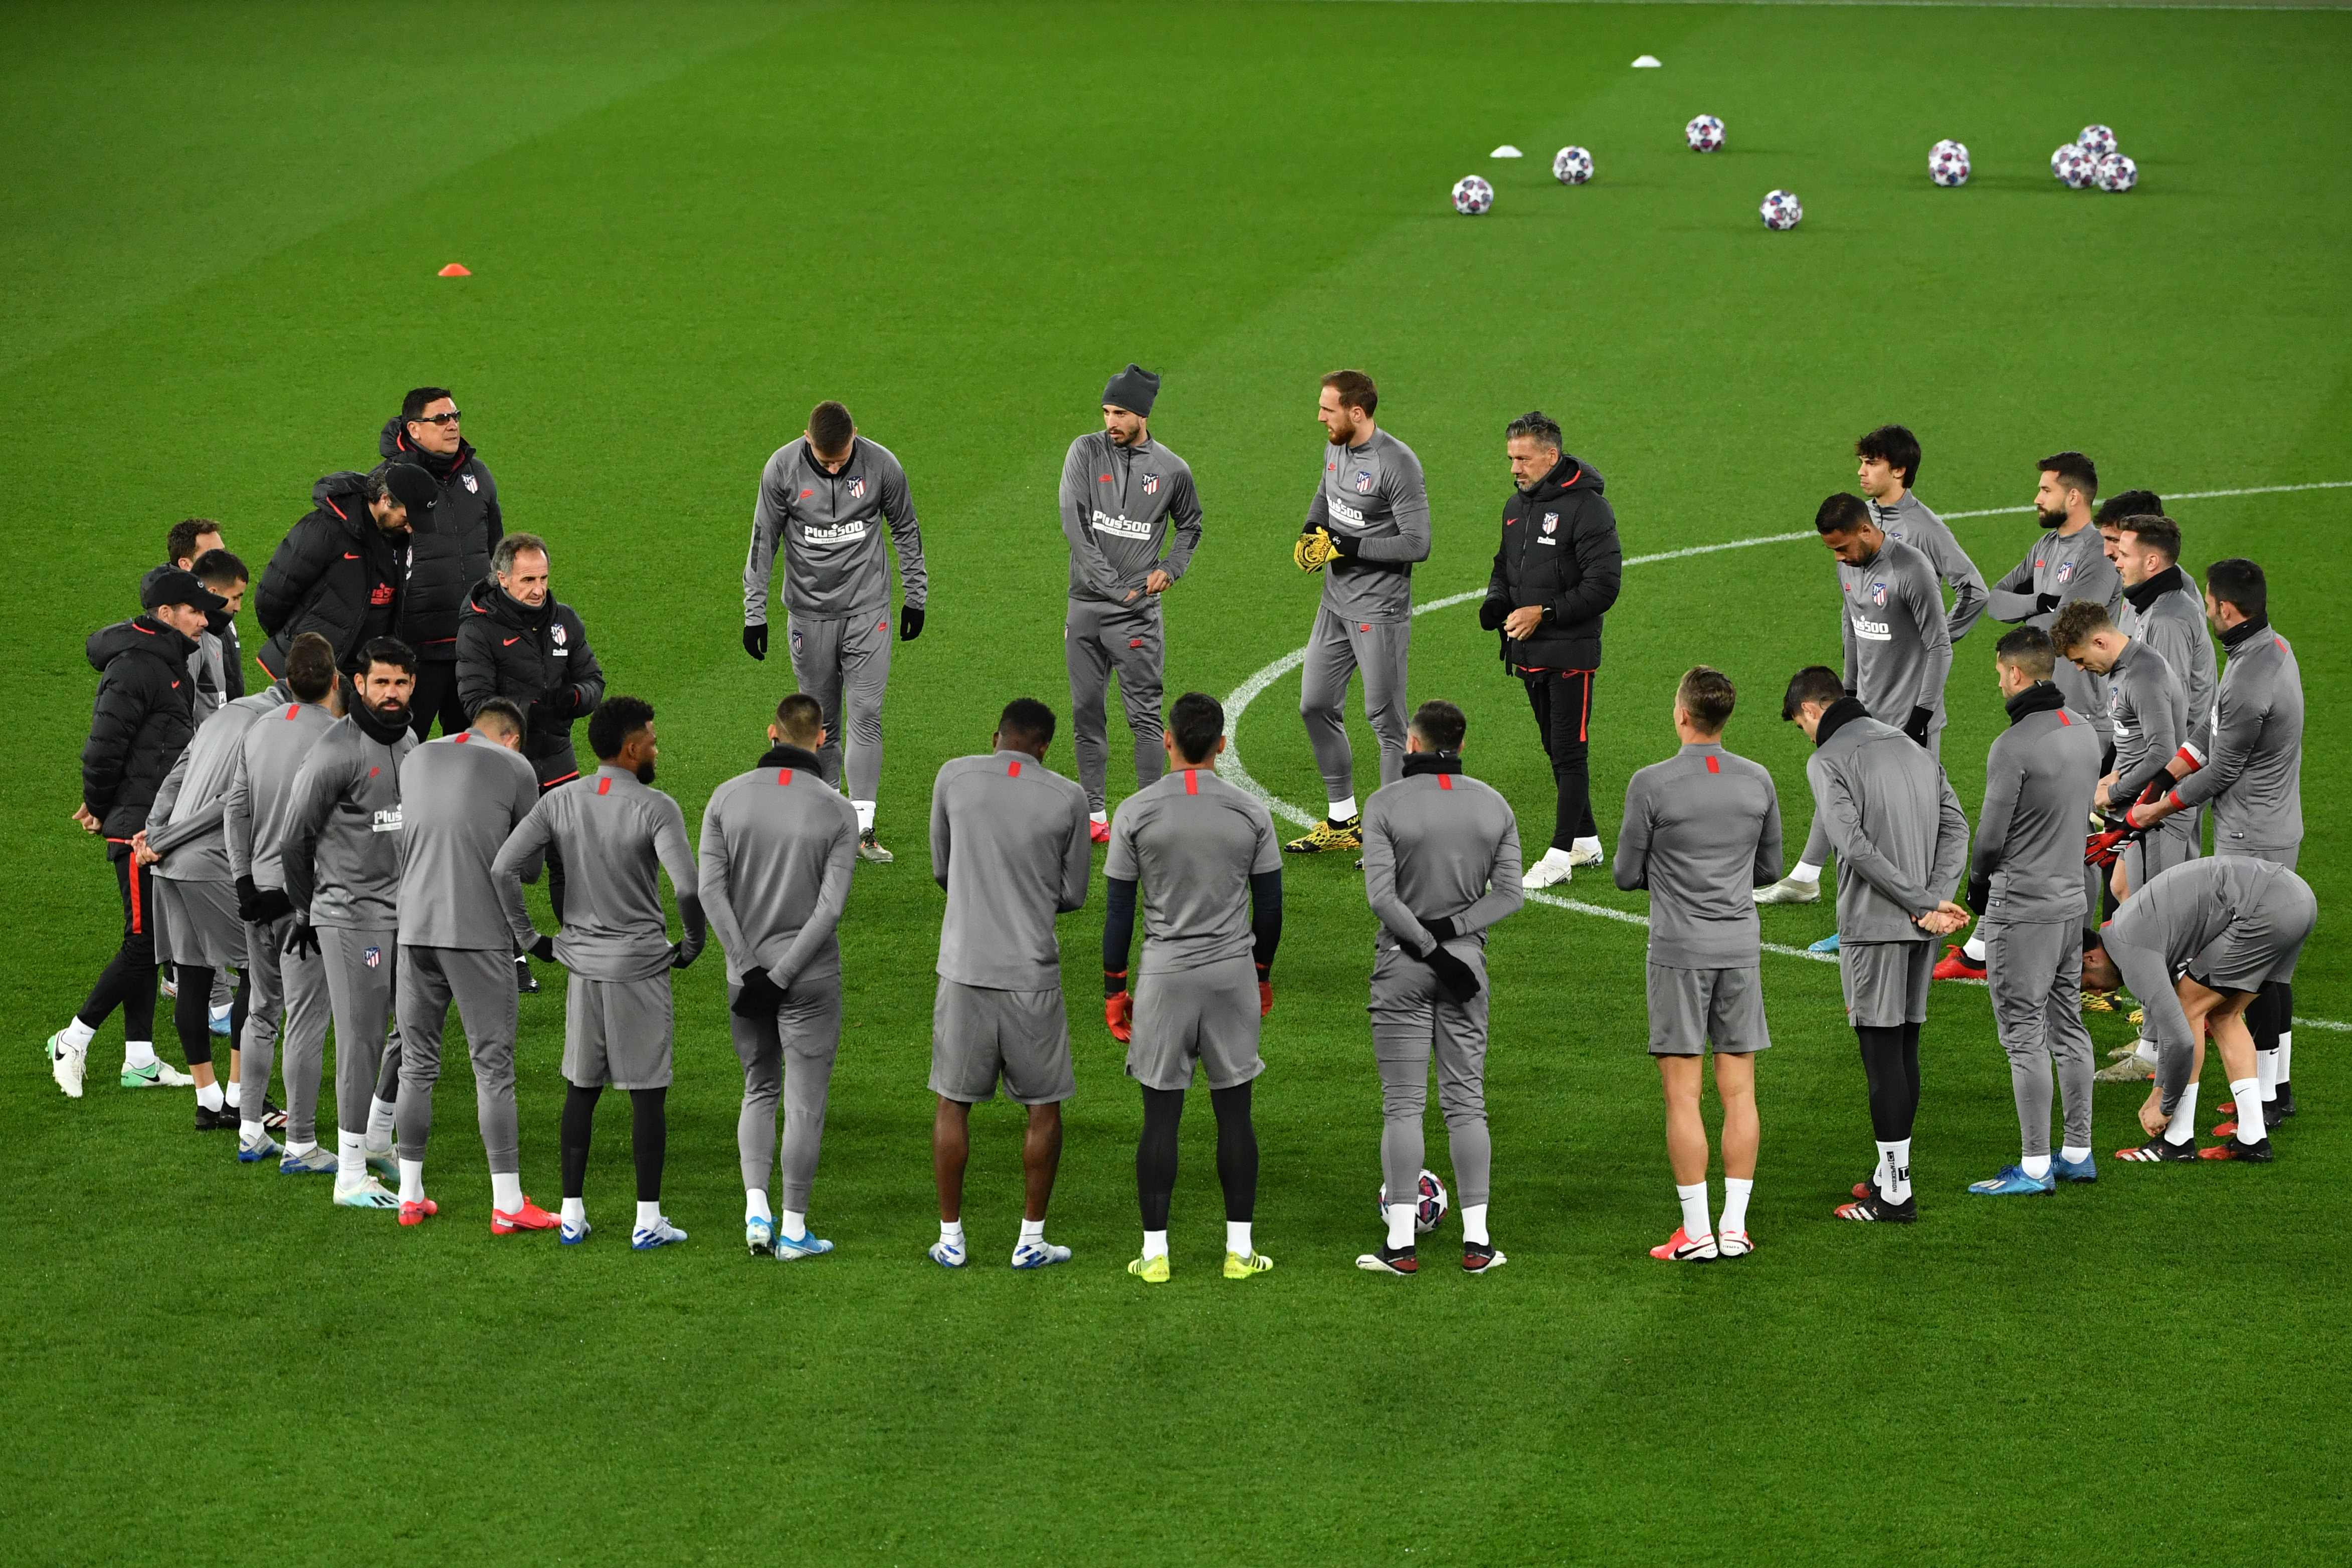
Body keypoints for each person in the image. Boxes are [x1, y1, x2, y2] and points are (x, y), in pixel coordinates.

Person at [493, 696, 707, 1250]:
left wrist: (530, 938)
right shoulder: (657, 806)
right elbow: (687, 886)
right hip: (639, 967)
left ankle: (570, 1213)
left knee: (580, 1091)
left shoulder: (560, 800)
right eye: (653, 741)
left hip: (581, 966)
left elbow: (503, 868)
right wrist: (692, 941)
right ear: (632, 748)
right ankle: (647, 1218)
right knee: (647, 1095)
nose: (657, 748)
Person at [1780, 666, 1970, 1223]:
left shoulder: (1828, 759)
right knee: (1906, 1047)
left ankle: (1895, 1196)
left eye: (1799, 725)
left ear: (1813, 711)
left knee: (1881, 1056)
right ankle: (1889, 1174)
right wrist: (1935, 899)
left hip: (1875, 926)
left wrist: (1919, 900)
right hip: (1920, 929)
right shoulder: (1912, 748)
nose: (1805, 736)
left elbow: (1854, 847)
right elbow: (1956, 827)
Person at [1103, 692, 1283, 1281]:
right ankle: (1239, 1251)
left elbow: (1119, 914)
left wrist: (1115, 987)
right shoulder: (1251, 812)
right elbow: (1271, 908)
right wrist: (1260, 975)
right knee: (1236, 1114)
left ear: (1168, 742)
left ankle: (1155, 1255)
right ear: (1223, 746)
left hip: (1164, 976)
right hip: (1232, 974)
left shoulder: (1135, 810)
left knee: (1160, 1118)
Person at [2126, 558, 2303, 1127]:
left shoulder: (2251, 680)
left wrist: (2160, 805)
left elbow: (2223, 768)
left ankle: (2273, 1097)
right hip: (2271, 827)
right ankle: (2276, 1089)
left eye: (2208, 603)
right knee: (2268, 973)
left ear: (2227, 610)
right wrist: (2165, 773)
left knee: (2258, 976)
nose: (2204, 610)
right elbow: (2210, 731)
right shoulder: (2269, 649)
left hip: (2253, 836)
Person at [1613, 668, 1780, 1261]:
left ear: (1683, 715)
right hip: (1739, 949)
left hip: (1679, 953)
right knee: (1740, 1092)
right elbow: (1768, 869)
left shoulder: (1651, 783)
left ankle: (1696, 1230)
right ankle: (1734, 1226)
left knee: (1683, 1096)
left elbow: (1626, 874)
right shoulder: (1758, 780)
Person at [1356, 699, 1525, 1276]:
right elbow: (1509, 895)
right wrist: (1451, 939)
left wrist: (1425, 944)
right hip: (1466, 967)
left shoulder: (1385, 803)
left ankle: (1400, 1247)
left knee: (1403, 1103)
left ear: (1412, 742)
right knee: (1466, 1103)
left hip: (1401, 963)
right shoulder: (1493, 805)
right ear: (1461, 741)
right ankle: (1478, 1244)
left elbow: (1381, 897)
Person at [925, 697, 1092, 1269]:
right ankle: (1031, 1238)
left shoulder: (953, 775)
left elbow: (942, 868)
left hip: (964, 968)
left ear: (994, 735)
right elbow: (1073, 895)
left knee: (953, 1103)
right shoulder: (1068, 796)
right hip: (1031, 975)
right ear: (1045, 746)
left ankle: (951, 1237)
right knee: (1043, 1108)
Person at [390, 697, 561, 1233]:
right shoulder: (515, 766)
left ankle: (409, 1195)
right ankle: (508, 1202)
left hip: (413, 928)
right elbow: (529, 867)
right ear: (512, 737)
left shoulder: (415, 756)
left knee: (416, 1063)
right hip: (476, 931)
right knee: (493, 1066)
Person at [700, 693, 859, 1262]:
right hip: (810, 976)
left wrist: (748, 968)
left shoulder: (727, 796)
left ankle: (756, 1213)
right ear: (821, 738)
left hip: (745, 976)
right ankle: (794, 1228)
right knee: (805, 1101)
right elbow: (831, 907)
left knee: (758, 1087)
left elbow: (710, 892)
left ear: (772, 732)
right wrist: (785, 972)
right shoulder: (838, 809)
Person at [46, 570, 214, 1099]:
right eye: (195, 610)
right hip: (137, 828)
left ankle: (139, 1057)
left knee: (151, 940)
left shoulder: (167, 664)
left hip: (157, 824)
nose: (205, 620)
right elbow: (102, 748)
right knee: (144, 942)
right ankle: (72, 1039)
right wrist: (99, 808)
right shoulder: (136, 667)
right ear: (166, 613)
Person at [742, 399, 930, 863]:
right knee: (821, 720)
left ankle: (863, 827)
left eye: (841, 459)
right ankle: (829, 817)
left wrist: (916, 596)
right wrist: (754, 613)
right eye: (825, 461)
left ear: (855, 437)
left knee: (866, 711)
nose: (834, 466)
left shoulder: (882, 465)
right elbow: (763, 541)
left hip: (869, 609)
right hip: (809, 614)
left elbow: (906, 528)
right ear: (808, 441)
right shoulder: (781, 470)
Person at [137, 631, 303, 1140]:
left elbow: (176, 774)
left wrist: (153, 829)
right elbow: (229, 803)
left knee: (192, 975)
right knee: (258, 968)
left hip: (168, 866)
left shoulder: (227, 711)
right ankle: (242, 1094)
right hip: (205, 860)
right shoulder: (271, 726)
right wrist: (165, 837)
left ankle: (208, 1100)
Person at [1757, 495, 1952, 916]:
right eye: (1833, 551)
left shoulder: (1911, 569)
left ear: (1866, 530)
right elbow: (1851, 627)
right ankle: (1807, 878)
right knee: (1838, 792)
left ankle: (1918, 907)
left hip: (1908, 720)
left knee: (1904, 823)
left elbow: (1940, 646)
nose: (1840, 557)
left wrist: (1921, 716)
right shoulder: (1847, 568)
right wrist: (1846, 694)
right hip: (1864, 709)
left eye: (1843, 547)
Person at [1959, 628, 2104, 1196]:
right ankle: (2078, 1150)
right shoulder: (2084, 731)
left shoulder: (2015, 745)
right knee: (2069, 1022)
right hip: (2073, 900)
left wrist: (1975, 888)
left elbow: (1990, 838)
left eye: (2000, 673)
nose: (1999, 682)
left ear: (2016, 673)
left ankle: (2036, 1166)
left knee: (2024, 1034)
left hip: (2022, 907)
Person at [280, 637, 418, 1209]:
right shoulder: (334, 752)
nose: (392, 694)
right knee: (361, 1041)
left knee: (412, 1031)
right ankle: (350, 1173)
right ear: (357, 684)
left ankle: (380, 1135)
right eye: (381, 682)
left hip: (405, 912)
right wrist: (308, 910)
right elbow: (294, 837)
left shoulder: (411, 740)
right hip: (348, 916)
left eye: (401, 683)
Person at [2086, 856, 2314, 1164]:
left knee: (2188, 1007)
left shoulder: (2129, 949)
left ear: (2090, 959)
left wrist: (2163, 1104)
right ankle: (2253, 1138)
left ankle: (2177, 1139)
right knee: (2225, 1015)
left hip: (2262, 907)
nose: (2097, 992)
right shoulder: (2129, 927)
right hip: (2298, 898)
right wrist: (2159, 1090)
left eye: (2086, 983)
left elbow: (2179, 1039)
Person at [1285, 370, 1430, 854]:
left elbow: (1417, 544)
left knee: (1387, 723)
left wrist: (1345, 546)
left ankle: (1388, 839)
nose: (1320, 417)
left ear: (1357, 412)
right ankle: (1343, 820)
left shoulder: (1397, 464)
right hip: (1335, 604)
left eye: (1328, 409)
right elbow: (1325, 495)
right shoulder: (1337, 447)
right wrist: (1312, 529)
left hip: (1379, 609)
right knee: (1316, 704)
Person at [1477, 410, 1622, 889]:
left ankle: (1559, 856)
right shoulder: (1516, 507)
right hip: (1529, 650)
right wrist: (1497, 600)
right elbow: (1505, 566)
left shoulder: (1588, 509)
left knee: (1569, 751)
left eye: (1524, 458)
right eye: (1511, 459)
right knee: (1553, 747)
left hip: (1571, 654)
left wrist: (1546, 612)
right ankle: (1586, 840)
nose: (1515, 468)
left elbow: (1604, 586)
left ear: (1551, 456)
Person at [1059, 365, 1204, 841]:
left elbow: (1191, 527)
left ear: (1142, 414)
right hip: (1086, 607)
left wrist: (1172, 568)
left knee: (1143, 717)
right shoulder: (1084, 451)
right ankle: (1096, 817)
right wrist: (1112, 586)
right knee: (1086, 712)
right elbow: (1076, 525)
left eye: (1119, 412)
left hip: (1138, 614)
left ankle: (1146, 817)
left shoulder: (1172, 470)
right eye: (1106, 411)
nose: (1110, 422)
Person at [456, 531, 606, 989]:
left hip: (556, 757)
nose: (538, 589)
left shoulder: (564, 621)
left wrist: (577, 696)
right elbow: (476, 703)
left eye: (543, 578)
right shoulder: (478, 629)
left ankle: (581, 942)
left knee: (568, 855)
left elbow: (594, 679)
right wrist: (537, 709)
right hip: (501, 765)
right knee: (503, 863)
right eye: (527, 580)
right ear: (502, 579)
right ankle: (509, 954)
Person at [224, 632, 342, 1172]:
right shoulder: (340, 739)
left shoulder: (258, 728)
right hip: (304, 902)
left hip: (256, 896)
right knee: (308, 1019)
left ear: (286, 680)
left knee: (262, 1010)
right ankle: (299, 1142)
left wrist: (244, 882)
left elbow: (236, 810)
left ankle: (251, 1129)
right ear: (336, 680)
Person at [380, 387, 502, 737]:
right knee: (403, 742)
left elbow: (495, 551)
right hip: (416, 648)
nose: (452, 426)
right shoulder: (390, 481)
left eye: (455, 417)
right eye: (440, 419)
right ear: (414, 429)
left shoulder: (478, 475)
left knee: (474, 745)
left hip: (472, 643)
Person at [2049, 601, 2192, 894]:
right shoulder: (2122, 669)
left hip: (2155, 812)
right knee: (2122, 892)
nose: (2078, 667)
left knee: (2147, 908)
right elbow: (2131, 739)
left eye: (2079, 658)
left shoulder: (2143, 676)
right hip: (2135, 807)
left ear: (2100, 642)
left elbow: (2163, 752)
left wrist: (2115, 791)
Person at [1985, 452, 2122, 753]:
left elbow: (2073, 621)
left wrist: (2032, 607)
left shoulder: (2098, 551)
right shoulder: (2044, 547)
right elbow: (1995, 602)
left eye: (2046, 491)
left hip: (2083, 712)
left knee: (2085, 800)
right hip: (2041, 705)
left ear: (2073, 497)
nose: (2037, 499)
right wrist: (2041, 601)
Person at [255, 463, 432, 681]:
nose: (410, 528)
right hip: (311, 673)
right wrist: (293, 641)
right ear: (385, 500)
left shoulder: (400, 538)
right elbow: (272, 595)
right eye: (406, 518)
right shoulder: (325, 530)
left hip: (366, 673)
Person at [1855, 424, 1988, 646]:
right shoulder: (1861, 516)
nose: (1861, 471)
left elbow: (1975, 591)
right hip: (1869, 660)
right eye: (1861, 462)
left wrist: (1933, 641)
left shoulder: (1923, 528)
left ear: (1899, 470)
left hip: (1907, 672)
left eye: (1871, 464)